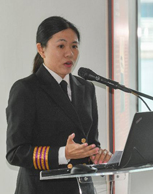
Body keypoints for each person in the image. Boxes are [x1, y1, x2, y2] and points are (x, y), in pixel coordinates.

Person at [6, 16, 112, 194]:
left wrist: (97, 155)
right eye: (61, 46)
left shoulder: (86, 88)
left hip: (82, 188)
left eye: (74, 46)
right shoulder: (26, 89)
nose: (69, 53)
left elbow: (91, 142)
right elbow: (15, 152)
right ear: (41, 49)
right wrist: (64, 153)